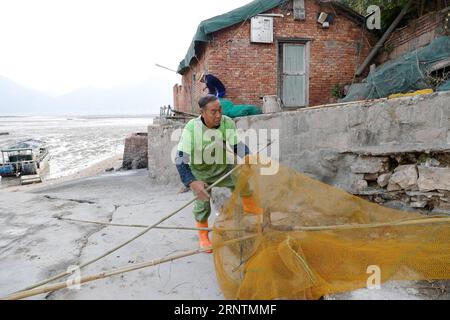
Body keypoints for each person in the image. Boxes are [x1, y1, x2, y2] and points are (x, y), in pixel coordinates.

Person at [175, 95, 262, 253]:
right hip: (200, 171)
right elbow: (180, 159)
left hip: (223, 166)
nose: (218, 115)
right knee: (202, 203)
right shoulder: (191, 128)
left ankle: (251, 210)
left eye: (220, 110)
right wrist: (192, 182)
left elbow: (237, 145)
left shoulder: (227, 122)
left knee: (242, 180)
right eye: (213, 112)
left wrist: (247, 155)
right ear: (202, 113)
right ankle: (203, 236)